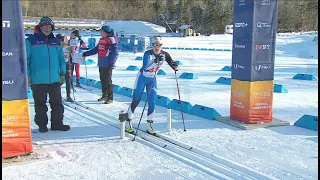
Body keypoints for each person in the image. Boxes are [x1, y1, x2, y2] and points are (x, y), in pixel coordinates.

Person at [123, 36, 179, 135]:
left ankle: (149, 125)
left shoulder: (164, 54)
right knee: (136, 100)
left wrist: (174, 66)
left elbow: (171, 61)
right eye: (154, 45)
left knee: (152, 102)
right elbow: (145, 68)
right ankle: (128, 122)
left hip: (152, 79)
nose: (157, 47)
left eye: (159, 45)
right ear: (152, 45)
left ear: (162, 46)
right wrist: (154, 62)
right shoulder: (147, 54)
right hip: (141, 78)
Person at [25, 16, 70, 132]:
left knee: (57, 103)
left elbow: (61, 59)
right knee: (40, 104)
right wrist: (28, 75)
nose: (47, 28)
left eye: (49, 26)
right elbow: (26, 59)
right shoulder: (30, 41)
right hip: (38, 79)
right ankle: (42, 125)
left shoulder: (56, 41)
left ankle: (57, 124)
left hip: (55, 78)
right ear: (40, 27)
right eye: (45, 26)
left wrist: (62, 73)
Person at [82, 25, 119, 104]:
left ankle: (110, 97)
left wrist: (112, 63)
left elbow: (115, 53)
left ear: (105, 32)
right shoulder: (102, 40)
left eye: (101, 31)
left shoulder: (111, 40)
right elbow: (96, 50)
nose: (100, 33)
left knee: (108, 81)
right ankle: (104, 95)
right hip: (101, 63)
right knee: (102, 80)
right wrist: (86, 53)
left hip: (108, 64)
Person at [56, 33, 73, 102]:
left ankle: (68, 95)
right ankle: (57, 95)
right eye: (59, 40)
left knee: (68, 80)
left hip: (67, 64)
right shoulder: (55, 47)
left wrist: (72, 52)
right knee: (59, 81)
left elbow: (73, 55)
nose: (61, 42)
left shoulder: (68, 47)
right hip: (58, 65)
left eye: (62, 40)